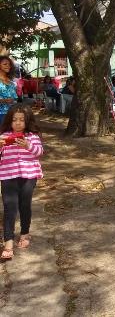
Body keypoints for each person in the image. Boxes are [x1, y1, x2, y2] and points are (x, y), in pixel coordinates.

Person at [0, 104, 43, 260]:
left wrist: (28, 145)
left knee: (25, 205)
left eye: (21, 120)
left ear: (27, 121)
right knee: (9, 207)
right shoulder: (4, 135)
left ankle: (25, 233)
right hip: (8, 176)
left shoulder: (32, 136)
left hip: (28, 176)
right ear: (9, 121)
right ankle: (8, 242)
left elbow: (39, 152)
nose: (18, 123)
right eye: (14, 120)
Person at [0, 56, 18, 124]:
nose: (8, 66)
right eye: (5, 64)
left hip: (11, 114)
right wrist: (3, 100)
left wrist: (12, 100)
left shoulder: (11, 82)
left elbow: (14, 98)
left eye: (9, 64)